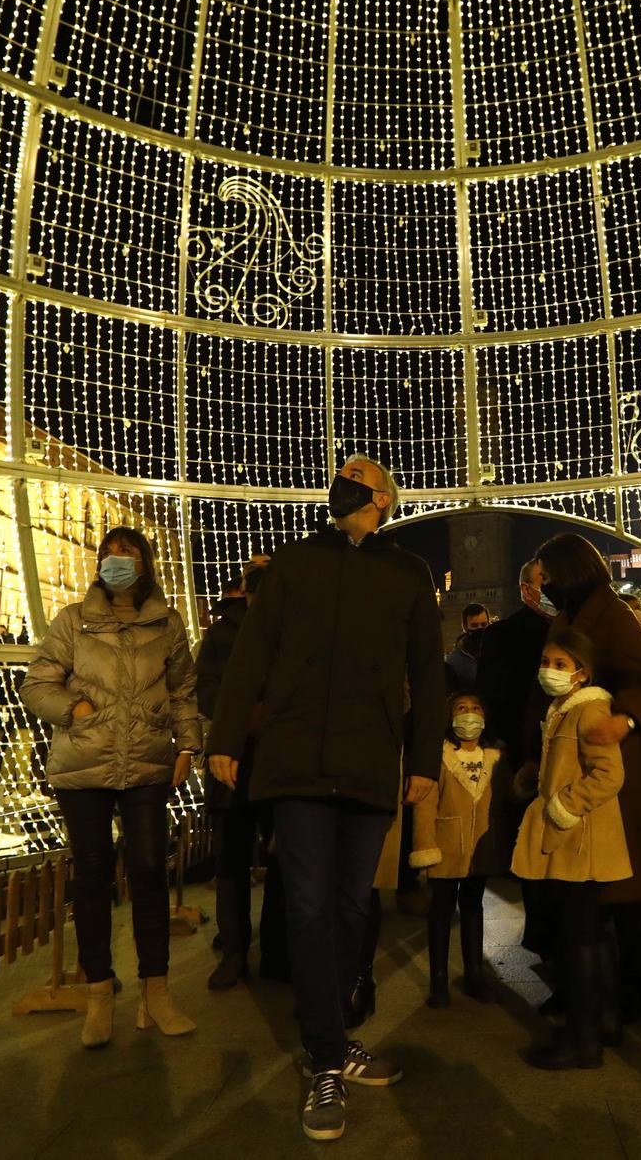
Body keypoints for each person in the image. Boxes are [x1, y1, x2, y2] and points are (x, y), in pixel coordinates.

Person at [206, 454, 447, 1143]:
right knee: (309, 906)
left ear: (384, 499)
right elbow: (250, 654)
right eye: (342, 471)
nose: (343, 478)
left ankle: (334, 1035)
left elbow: (428, 675)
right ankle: (325, 1055)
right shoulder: (290, 563)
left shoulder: (407, 573)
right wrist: (227, 736)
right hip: (295, 762)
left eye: (357, 474)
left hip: (370, 764)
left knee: (349, 904)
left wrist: (423, 759)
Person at [21, 526, 202, 1049]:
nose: (116, 562)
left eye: (127, 554)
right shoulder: (72, 621)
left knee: (149, 870)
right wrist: (72, 709)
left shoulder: (168, 624)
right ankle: (99, 991)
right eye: (108, 555)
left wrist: (188, 746)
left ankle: (156, 992)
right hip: (84, 764)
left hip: (147, 761)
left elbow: (184, 690)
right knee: (93, 876)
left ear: (145, 564)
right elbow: (37, 683)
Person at [534, 533, 641, 1025]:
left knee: (615, 886)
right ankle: (597, 990)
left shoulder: (610, 616)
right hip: (577, 758)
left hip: (607, 759)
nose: (544, 582)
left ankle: (625, 994)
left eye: (547, 572)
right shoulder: (572, 614)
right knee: (592, 886)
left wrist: (626, 718)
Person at [512, 627, 627, 1069]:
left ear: (583, 672)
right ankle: (601, 1023)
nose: (549, 671)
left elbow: (609, 774)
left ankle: (582, 1038)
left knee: (578, 938)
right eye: (545, 662)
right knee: (590, 934)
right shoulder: (563, 708)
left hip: (582, 838)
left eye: (560, 664)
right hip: (580, 838)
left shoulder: (590, 709)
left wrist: (563, 805)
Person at [477, 557, 557, 958]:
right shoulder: (502, 636)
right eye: (545, 580)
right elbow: (491, 695)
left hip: (564, 757)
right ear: (526, 588)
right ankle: (542, 936)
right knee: (531, 849)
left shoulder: (570, 627)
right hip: (523, 754)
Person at [196, 570, 268, 990]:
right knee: (231, 862)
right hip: (232, 757)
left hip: (281, 761)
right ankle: (236, 949)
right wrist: (243, 716)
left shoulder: (295, 628)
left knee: (287, 860)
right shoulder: (224, 634)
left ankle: (279, 946)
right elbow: (205, 688)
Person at [411, 691, 504, 1008]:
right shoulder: (438, 756)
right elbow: (425, 806)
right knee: (441, 910)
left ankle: (474, 974)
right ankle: (438, 981)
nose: (469, 714)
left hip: (480, 849)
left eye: (476, 708)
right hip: (447, 847)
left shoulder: (495, 756)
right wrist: (425, 846)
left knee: (474, 906)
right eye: (461, 708)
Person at [444, 604, 490, 692]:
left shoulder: (499, 652)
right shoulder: (454, 662)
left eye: (484, 624)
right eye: (474, 625)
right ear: (464, 627)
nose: (480, 629)